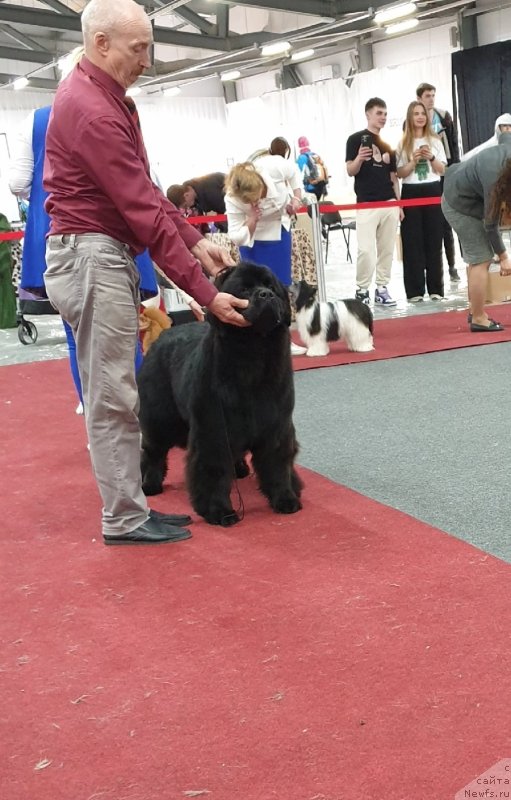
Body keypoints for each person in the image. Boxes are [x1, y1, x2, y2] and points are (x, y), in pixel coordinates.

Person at [42, 0, 249, 547]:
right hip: (92, 257)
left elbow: (151, 196)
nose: (148, 62)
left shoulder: (106, 98)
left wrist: (197, 242)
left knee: (119, 390)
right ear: (102, 43)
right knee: (112, 395)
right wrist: (206, 295)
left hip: (101, 255)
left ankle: (130, 508)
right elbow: (141, 211)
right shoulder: (94, 110)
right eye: (140, 49)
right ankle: (125, 519)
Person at [224, 159, 306, 356]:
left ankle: (284, 339)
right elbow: (237, 236)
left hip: (278, 230)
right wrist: (252, 219)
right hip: (252, 240)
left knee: (280, 287)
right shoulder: (231, 198)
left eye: (258, 197)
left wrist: (296, 198)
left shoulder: (273, 167)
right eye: (250, 201)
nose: (256, 202)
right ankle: (253, 340)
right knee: (253, 291)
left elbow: (294, 172)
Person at [442, 130, 511, 332]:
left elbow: (505, 136)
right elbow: (490, 225)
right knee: (482, 258)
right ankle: (479, 318)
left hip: (461, 190)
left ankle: (476, 310)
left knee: (479, 257)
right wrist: (504, 255)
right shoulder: (494, 179)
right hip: (458, 204)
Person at [345, 97, 402, 307]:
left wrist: (399, 203)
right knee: (366, 250)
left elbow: (394, 177)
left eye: (385, 114)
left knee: (387, 248)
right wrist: (360, 157)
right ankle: (362, 289)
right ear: (368, 114)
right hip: (366, 203)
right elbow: (350, 170)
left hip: (389, 202)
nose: (383, 118)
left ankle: (382, 287)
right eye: (379, 113)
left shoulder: (388, 145)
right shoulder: (354, 140)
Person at [396, 101, 447, 302]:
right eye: (415, 113)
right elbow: (400, 173)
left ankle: (436, 288)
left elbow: (442, 170)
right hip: (411, 191)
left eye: (422, 113)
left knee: (434, 240)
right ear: (410, 117)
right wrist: (413, 161)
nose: (419, 117)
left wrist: (431, 156)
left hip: (433, 189)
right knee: (412, 242)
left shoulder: (435, 140)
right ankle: (414, 291)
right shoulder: (402, 143)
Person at [416, 82, 461, 281]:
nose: (431, 98)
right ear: (419, 98)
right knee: (427, 225)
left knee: (446, 223)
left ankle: (452, 266)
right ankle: (431, 269)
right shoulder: (413, 119)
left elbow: (453, 142)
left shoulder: (444, 116)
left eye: (433, 95)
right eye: (427, 95)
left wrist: (455, 170)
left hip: (444, 173)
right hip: (423, 177)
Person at [296, 136, 328, 202]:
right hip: (321, 185)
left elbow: (298, 173)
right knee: (317, 206)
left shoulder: (301, 158)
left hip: (309, 187)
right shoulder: (315, 155)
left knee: (311, 208)